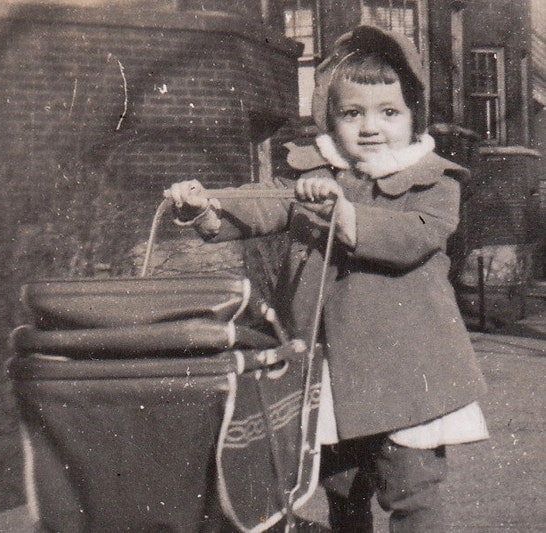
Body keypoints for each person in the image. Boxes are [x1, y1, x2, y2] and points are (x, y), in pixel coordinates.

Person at [169, 25, 489, 532]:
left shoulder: (432, 181)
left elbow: (417, 236)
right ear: (329, 119)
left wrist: (346, 218)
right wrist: (209, 205)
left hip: (409, 373)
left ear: (413, 118)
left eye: (389, 112)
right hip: (331, 373)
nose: (370, 127)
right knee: (340, 488)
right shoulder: (315, 176)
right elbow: (266, 201)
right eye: (351, 113)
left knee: (411, 492)